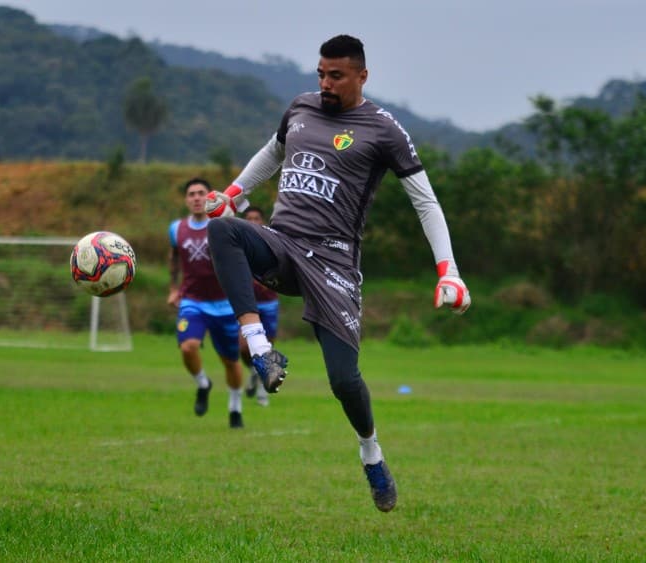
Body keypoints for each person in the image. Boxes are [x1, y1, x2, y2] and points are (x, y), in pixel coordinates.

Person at [204, 35, 471, 512]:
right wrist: (232, 191)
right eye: (321, 74)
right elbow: (272, 153)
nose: (325, 83)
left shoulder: (384, 129)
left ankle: (371, 451)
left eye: (337, 76)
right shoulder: (300, 108)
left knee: (344, 381)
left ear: (362, 76)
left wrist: (448, 271)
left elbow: (425, 203)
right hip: (283, 244)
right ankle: (262, 350)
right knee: (223, 231)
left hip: (334, 264)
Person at [168, 178, 246, 429]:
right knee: (188, 347)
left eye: (201, 193)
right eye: (191, 194)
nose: (197, 198)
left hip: (225, 303)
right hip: (192, 301)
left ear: (209, 197)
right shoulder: (176, 229)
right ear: (186, 200)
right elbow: (173, 258)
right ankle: (203, 383)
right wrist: (173, 288)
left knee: (230, 361)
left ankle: (235, 407)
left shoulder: (222, 225)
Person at [239, 206, 278, 407]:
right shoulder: (238, 243)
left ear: (262, 221)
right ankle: (254, 371)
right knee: (244, 348)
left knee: (266, 347)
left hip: (268, 301)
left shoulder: (270, 241)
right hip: (246, 302)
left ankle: (263, 391)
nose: (253, 221)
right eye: (249, 218)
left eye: (256, 218)